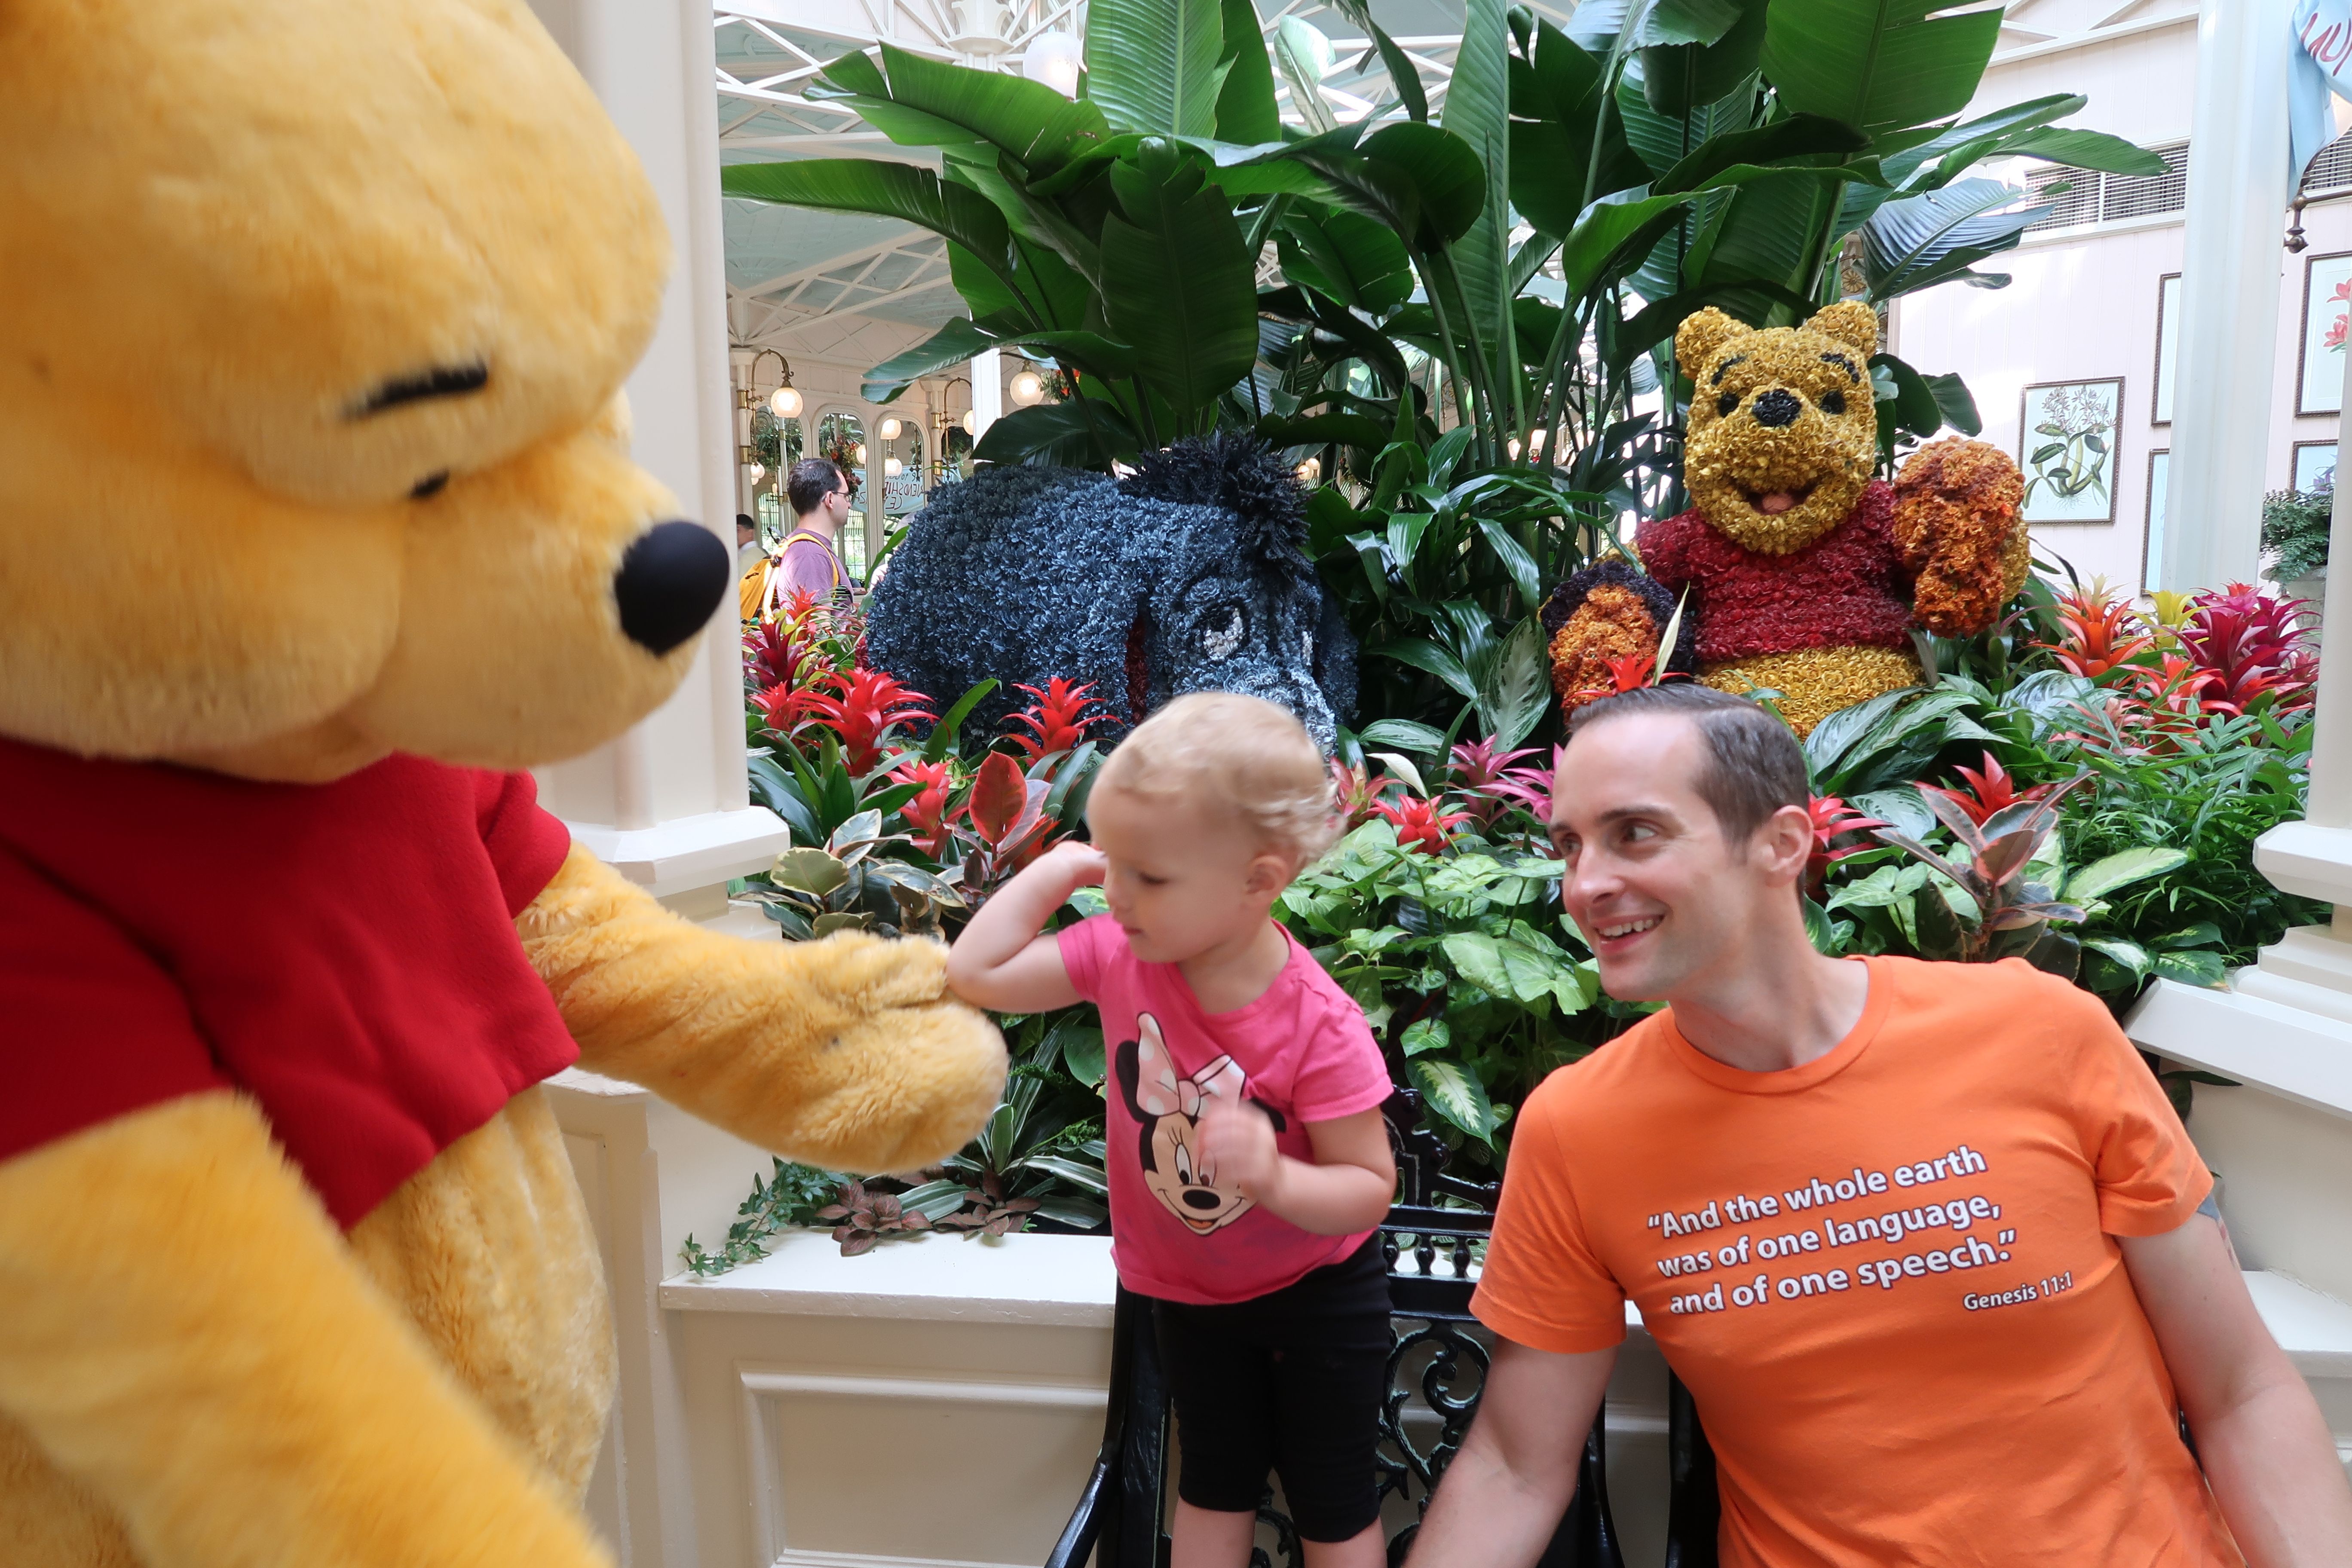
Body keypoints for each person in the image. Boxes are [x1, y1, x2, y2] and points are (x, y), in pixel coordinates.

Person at [1404, 682, 2352, 1568]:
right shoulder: (1581, 1128)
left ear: (1781, 844)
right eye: (1570, 845)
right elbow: (1514, 1468)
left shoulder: (2039, 1031)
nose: (1586, 884)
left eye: (1635, 835)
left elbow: (2240, 1393)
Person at [947, 693, 1399, 1568]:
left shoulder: (1320, 1024)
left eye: (1147, 876)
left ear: (1258, 881)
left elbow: (1368, 1188)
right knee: (1213, 1484)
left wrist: (1274, 1178)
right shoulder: (1122, 953)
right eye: (1115, 863)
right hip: (1192, 1295)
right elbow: (977, 973)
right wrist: (1060, 869)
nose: (1117, 894)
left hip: (1320, 1299)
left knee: (1332, 1497)